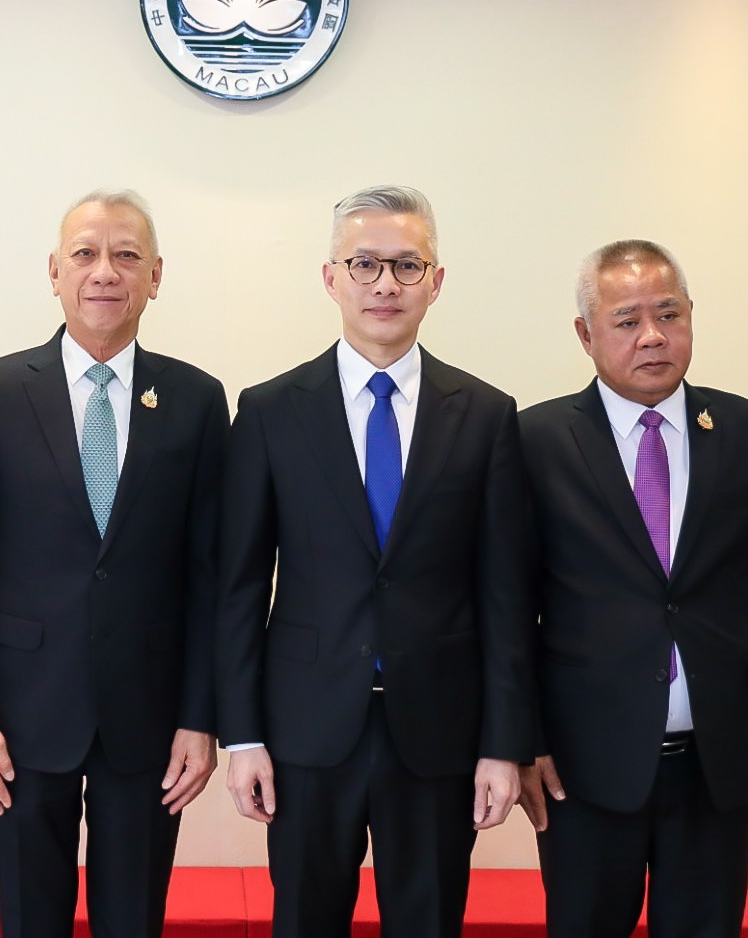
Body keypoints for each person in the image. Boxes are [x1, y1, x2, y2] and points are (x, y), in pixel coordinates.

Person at [215, 186, 536, 938]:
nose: (385, 284)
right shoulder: (270, 410)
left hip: (438, 730)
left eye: (405, 265)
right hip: (305, 729)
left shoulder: (486, 414)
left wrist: (503, 745)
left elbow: (506, 597)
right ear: (331, 278)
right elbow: (239, 586)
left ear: (436, 281)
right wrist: (243, 736)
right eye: (364, 264)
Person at [0, 189, 227, 938]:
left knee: (133, 919)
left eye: (126, 256)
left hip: (151, 715)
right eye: (86, 254)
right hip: (20, 716)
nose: (105, 271)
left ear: (155, 275)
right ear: (54, 271)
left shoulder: (196, 399)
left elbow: (210, 575)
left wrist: (200, 717)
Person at [517, 239, 748, 938]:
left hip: (717, 760)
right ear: (585, 334)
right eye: (627, 321)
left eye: (668, 314)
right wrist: (521, 738)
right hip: (583, 766)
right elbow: (510, 605)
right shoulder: (537, 440)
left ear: (690, 317)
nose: (652, 336)